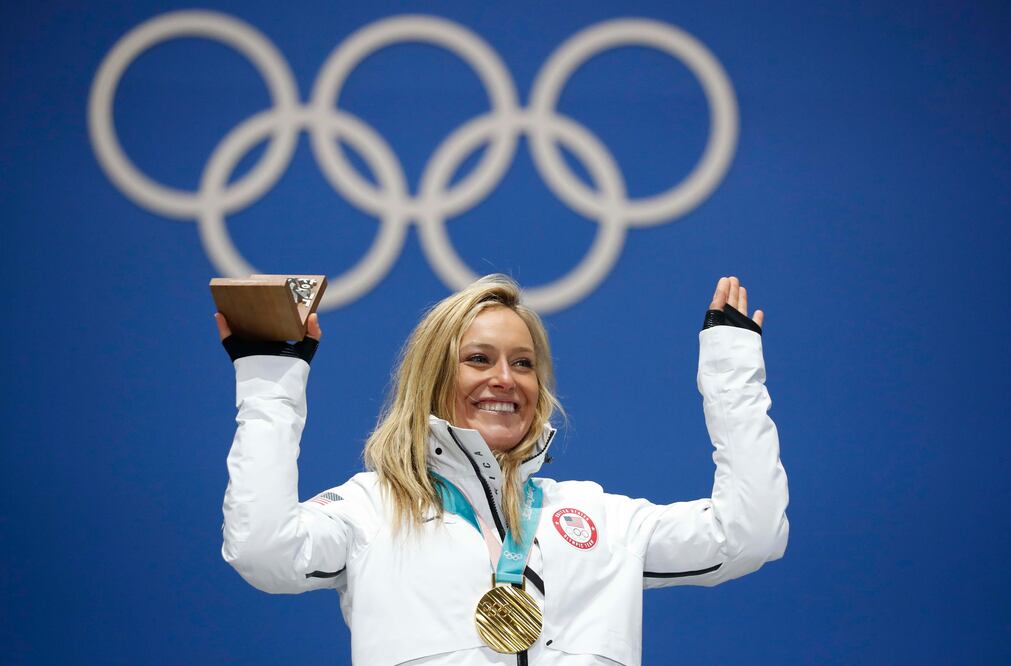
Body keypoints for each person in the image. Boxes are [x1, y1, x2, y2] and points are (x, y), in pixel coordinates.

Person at [217, 275, 788, 665]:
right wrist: (270, 384)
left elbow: (747, 535)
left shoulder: (598, 517)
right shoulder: (371, 511)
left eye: (523, 363)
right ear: (433, 377)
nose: (505, 379)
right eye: (478, 359)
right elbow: (264, 552)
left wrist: (732, 374)